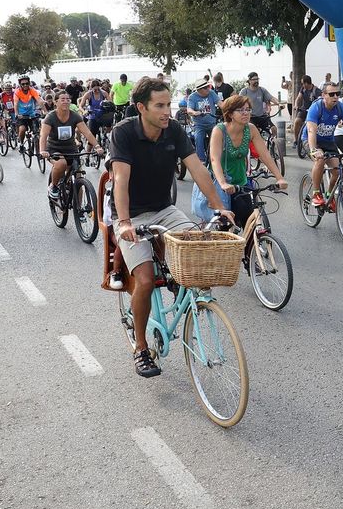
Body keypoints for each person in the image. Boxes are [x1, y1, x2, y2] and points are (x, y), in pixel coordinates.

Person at [109, 77, 230, 378]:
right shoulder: (123, 133)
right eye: (160, 106)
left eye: (169, 104)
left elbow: (198, 169)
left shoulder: (173, 129)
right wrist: (123, 223)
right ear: (141, 108)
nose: (167, 111)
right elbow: (120, 181)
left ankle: (179, 290)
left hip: (164, 209)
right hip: (131, 216)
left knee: (196, 248)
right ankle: (140, 348)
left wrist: (219, 206)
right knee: (147, 279)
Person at [199, 93, 287, 227]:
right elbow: (214, 159)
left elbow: (265, 155)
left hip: (241, 182)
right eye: (240, 110)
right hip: (220, 185)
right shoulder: (219, 130)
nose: (245, 113)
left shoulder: (250, 129)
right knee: (225, 226)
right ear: (230, 114)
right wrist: (223, 183)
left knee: (249, 220)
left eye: (248, 109)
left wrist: (279, 177)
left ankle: (251, 245)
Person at [304, 82, 343, 205]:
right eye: (332, 94)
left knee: (338, 171)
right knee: (320, 160)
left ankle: (329, 194)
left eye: (337, 94)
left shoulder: (340, 108)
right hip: (311, 141)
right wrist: (313, 149)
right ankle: (316, 193)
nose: (335, 97)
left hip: (328, 141)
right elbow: (311, 130)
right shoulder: (316, 108)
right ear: (323, 95)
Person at [41, 89, 102, 204]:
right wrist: (42, 151)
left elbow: (87, 133)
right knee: (61, 164)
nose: (65, 101)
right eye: (62, 99)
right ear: (56, 102)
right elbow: (43, 136)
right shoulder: (51, 117)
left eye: (67, 99)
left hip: (71, 149)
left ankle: (79, 210)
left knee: (78, 179)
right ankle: (53, 186)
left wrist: (97, 146)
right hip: (54, 149)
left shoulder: (74, 116)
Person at [181, 80, 222, 164]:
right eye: (205, 88)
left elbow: (221, 104)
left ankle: (217, 157)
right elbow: (189, 110)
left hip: (212, 123)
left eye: (208, 86)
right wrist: (195, 112)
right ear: (199, 89)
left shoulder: (212, 93)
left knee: (219, 138)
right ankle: (201, 160)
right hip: (199, 124)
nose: (208, 89)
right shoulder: (192, 97)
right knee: (198, 138)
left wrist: (229, 109)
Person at [241, 72, 277, 140]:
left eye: (257, 79)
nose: (256, 81)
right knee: (254, 132)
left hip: (262, 116)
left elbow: (271, 98)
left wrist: (278, 103)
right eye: (254, 79)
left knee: (274, 129)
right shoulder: (244, 91)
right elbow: (238, 102)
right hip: (251, 117)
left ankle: (271, 144)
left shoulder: (262, 90)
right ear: (249, 81)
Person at [12, 76, 42, 148]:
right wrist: (16, 114)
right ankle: (21, 143)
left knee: (37, 131)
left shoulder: (32, 90)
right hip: (21, 115)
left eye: (27, 83)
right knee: (22, 129)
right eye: (23, 84)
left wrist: (45, 111)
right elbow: (15, 104)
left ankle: (38, 146)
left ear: (29, 83)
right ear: (20, 85)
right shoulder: (17, 92)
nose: (25, 85)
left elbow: (39, 100)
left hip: (32, 114)